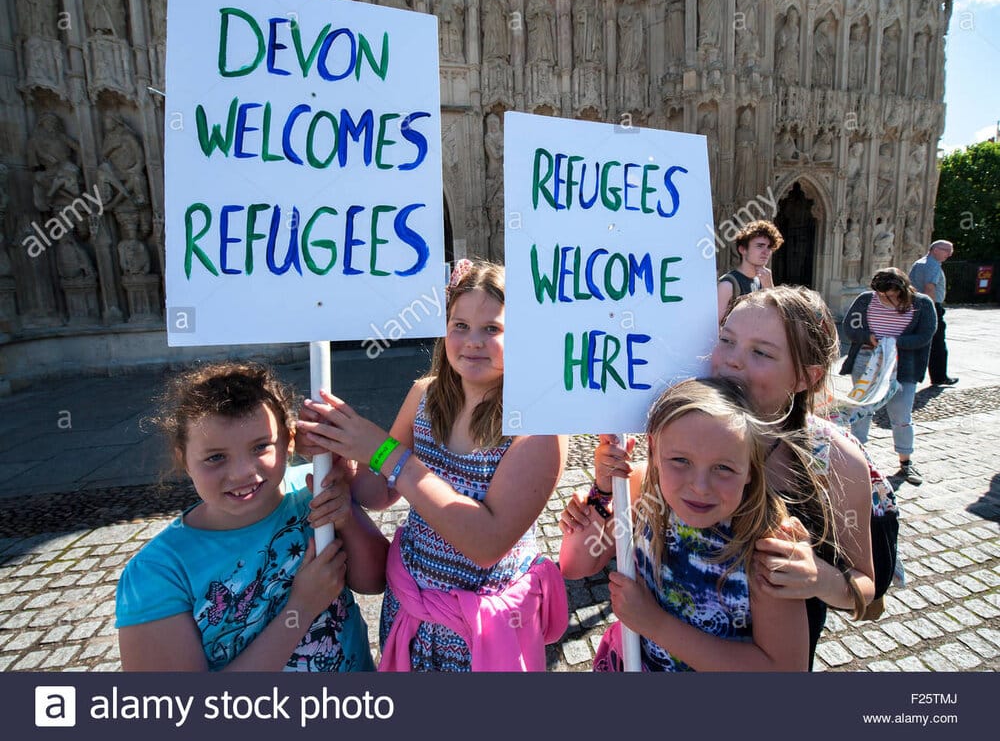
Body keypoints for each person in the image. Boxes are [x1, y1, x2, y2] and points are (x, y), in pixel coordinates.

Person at [565, 286, 879, 668]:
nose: (732, 361)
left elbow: (868, 594)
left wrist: (819, 579)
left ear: (805, 377)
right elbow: (584, 558)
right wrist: (602, 491)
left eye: (761, 352)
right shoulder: (681, 437)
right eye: (726, 340)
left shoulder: (835, 462)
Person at [297, 260, 568, 671]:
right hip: (411, 612)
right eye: (459, 325)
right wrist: (341, 453)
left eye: (492, 329)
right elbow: (379, 491)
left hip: (483, 630)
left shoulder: (538, 426)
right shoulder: (425, 396)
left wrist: (384, 452)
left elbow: (486, 543)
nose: (472, 341)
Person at [116, 363, 388, 671]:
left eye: (260, 447)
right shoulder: (157, 573)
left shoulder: (313, 492)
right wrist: (301, 608)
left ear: (289, 441)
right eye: (215, 457)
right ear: (184, 459)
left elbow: (376, 579)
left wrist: (346, 515)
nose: (242, 472)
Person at [560, 377, 809, 671]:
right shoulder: (642, 490)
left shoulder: (767, 544)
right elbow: (576, 565)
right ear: (653, 449)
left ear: (751, 468)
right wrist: (602, 493)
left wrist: (656, 624)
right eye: (680, 460)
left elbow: (785, 669)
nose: (701, 487)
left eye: (724, 468)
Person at [841, 269, 937, 485]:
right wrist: (869, 337)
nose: (885, 298)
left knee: (901, 416)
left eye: (891, 295)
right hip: (867, 360)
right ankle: (858, 460)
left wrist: (894, 342)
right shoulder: (866, 300)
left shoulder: (921, 303)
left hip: (903, 365)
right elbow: (850, 327)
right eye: (882, 295)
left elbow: (925, 335)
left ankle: (906, 462)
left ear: (902, 289)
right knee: (862, 412)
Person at [909, 240, 957, 386]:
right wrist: (933, 310)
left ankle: (912, 374)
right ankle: (939, 376)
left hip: (915, 305)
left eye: (951, 251)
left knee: (918, 341)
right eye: (946, 250)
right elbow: (929, 287)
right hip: (930, 306)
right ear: (935, 249)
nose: (949, 255)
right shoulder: (933, 264)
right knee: (937, 343)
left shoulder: (919, 263)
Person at [717, 220, 784, 323]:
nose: (766, 252)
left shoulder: (763, 280)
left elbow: (775, 319)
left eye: (769, 247)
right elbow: (714, 327)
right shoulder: (728, 285)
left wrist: (769, 288)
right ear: (743, 250)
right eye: (760, 246)